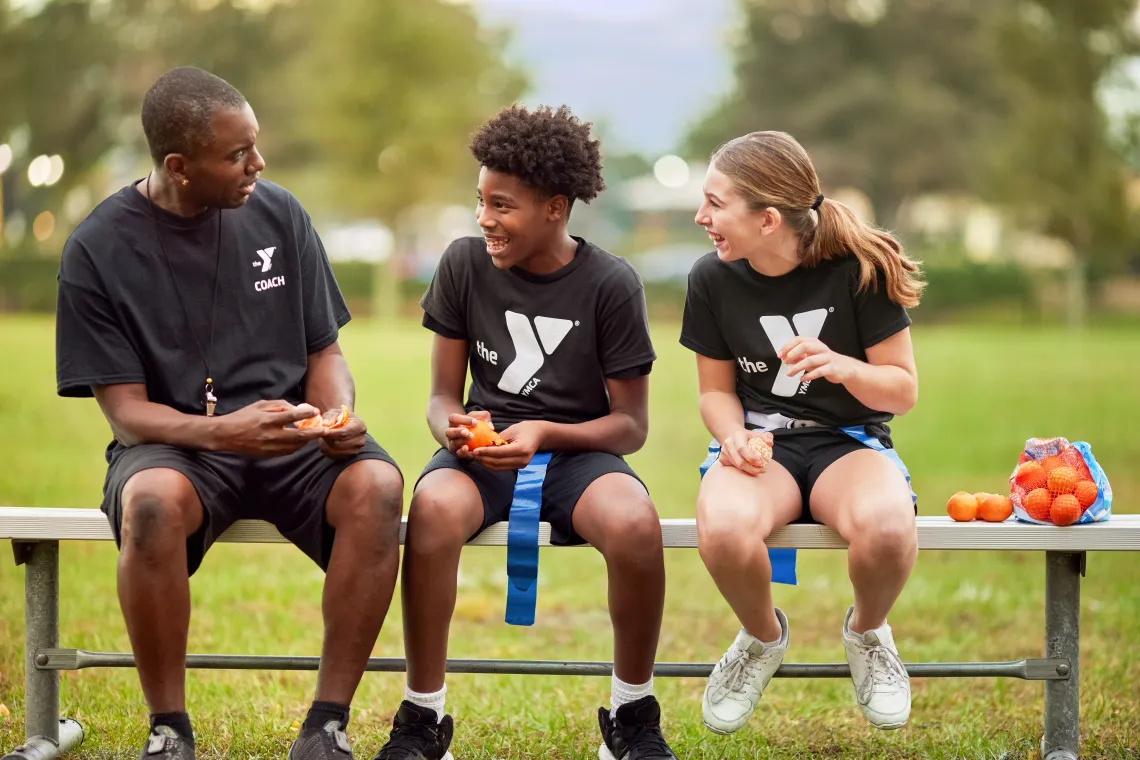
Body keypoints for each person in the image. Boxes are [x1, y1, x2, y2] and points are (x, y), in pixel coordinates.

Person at [54, 66, 403, 760]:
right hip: (175, 443)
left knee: (378, 487)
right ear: (179, 167)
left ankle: (325, 725)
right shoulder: (97, 250)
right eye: (238, 154)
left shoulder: (280, 214)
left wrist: (334, 418)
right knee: (149, 502)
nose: (258, 164)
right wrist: (223, 433)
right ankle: (169, 730)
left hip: (292, 436)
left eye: (256, 145)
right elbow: (126, 414)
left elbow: (324, 350)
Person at [373, 104, 676, 760]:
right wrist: (454, 429)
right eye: (480, 201)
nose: (485, 218)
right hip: (482, 456)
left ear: (555, 209)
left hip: (576, 453)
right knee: (431, 510)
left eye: (502, 205)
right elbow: (438, 398)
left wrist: (545, 431)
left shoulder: (611, 284)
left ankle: (633, 716)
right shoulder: (462, 265)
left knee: (634, 525)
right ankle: (422, 719)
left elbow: (630, 426)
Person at [680, 131, 925, 735]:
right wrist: (732, 434)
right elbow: (714, 392)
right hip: (765, 444)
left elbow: (903, 390)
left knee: (888, 529)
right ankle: (762, 640)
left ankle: (868, 634)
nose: (700, 216)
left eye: (715, 204)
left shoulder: (857, 270)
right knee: (726, 527)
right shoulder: (710, 278)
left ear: (767, 219)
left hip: (849, 442)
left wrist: (843, 366)